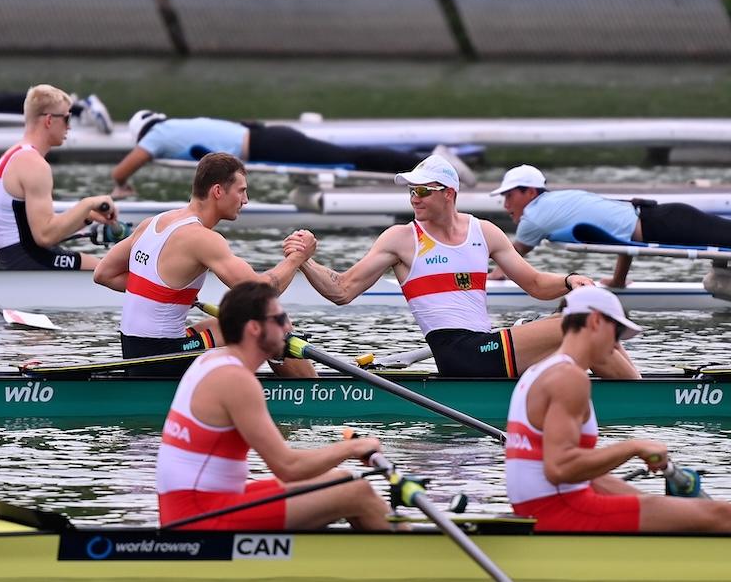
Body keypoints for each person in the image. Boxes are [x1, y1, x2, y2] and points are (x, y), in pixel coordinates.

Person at [288, 154, 640, 379]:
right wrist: (304, 260)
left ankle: (636, 387)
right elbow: (343, 290)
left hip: (485, 348)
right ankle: (646, 398)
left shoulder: (483, 231)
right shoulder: (401, 238)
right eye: (411, 191)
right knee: (578, 325)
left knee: (591, 315)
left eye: (422, 191)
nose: (414, 198)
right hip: (459, 355)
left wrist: (570, 280)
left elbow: (534, 284)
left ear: (448, 193)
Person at [157, 281, 391, 531]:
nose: (289, 327)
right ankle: (405, 550)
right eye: (279, 319)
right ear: (254, 328)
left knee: (341, 479)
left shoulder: (211, 360)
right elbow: (288, 468)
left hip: (196, 506)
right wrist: (354, 447)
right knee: (356, 492)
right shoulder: (236, 380)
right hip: (199, 517)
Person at [505, 286, 731, 532]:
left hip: (541, 506)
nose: (617, 345)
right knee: (724, 515)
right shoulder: (569, 378)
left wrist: (656, 506)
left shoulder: (538, 372)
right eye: (618, 332)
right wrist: (632, 447)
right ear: (595, 321)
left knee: (684, 511)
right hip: (561, 510)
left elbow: (588, 476)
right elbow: (560, 468)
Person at [94, 152, 317, 378]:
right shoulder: (202, 239)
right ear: (218, 191)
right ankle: (314, 391)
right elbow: (262, 293)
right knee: (272, 322)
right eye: (241, 191)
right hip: (162, 357)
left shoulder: (152, 223)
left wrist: (168, 294)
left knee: (236, 321)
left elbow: (103, 274)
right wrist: (297, 257)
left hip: (134, 351)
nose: (245, 200)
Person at [110, 110, 477, 197]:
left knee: (350, 159)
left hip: (271, 145)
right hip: (270, 139)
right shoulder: (176, 126)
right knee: (348, 155)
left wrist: (120, 186)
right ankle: (423, 157)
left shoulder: (157, 135)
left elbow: (123, 168)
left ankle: (430, 158)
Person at [488, 164, 731, 287]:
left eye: (509, 196)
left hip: (668, 224)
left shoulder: (534, 216)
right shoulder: (555, 201)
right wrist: (618, 281)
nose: (505, 204)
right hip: (664, 219)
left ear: (530, 192)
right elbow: (622, 240)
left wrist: (496, 275)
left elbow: (512, 254)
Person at [0, 84, 118, 271]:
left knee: (102, 266)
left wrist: (86, 217)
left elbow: (35, 227)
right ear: (49, 120)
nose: (69, 126)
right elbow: (45, 236)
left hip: (16, 257)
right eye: (66, 118)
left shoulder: (14, 154)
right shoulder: (33, 163)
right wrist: (88, 204)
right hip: (29, 259)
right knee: (111, 272)